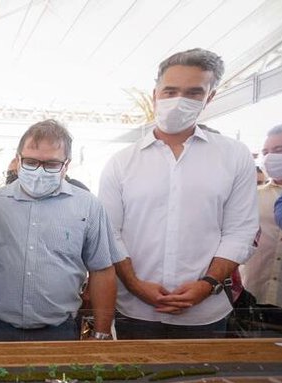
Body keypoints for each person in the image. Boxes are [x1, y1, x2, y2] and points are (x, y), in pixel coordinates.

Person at [98, 48, 258, 339]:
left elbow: (240, 231)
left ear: (209, 97)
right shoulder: (121, 162)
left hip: (206, 312)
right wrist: (135, 285)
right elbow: (110, 233)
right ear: (155, 94)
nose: (179, 101)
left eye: (193, 93)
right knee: (132, 371)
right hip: (135, 310)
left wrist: (207, 284)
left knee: (202, 370)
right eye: (170, 91)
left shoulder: (234, 156)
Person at [0, 120, 117, 342]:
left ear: (66, 165)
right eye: (31, 162)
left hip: (60, 332)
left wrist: (101, 333)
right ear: (18, 159)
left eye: (51, 164)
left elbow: (102, 270)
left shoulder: (88, 207)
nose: (39, 171)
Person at [241, 125, 282, 325]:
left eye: (278, 150)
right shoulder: (251, 196)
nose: (270, 157)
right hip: (253, 295)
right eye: (265, 152)